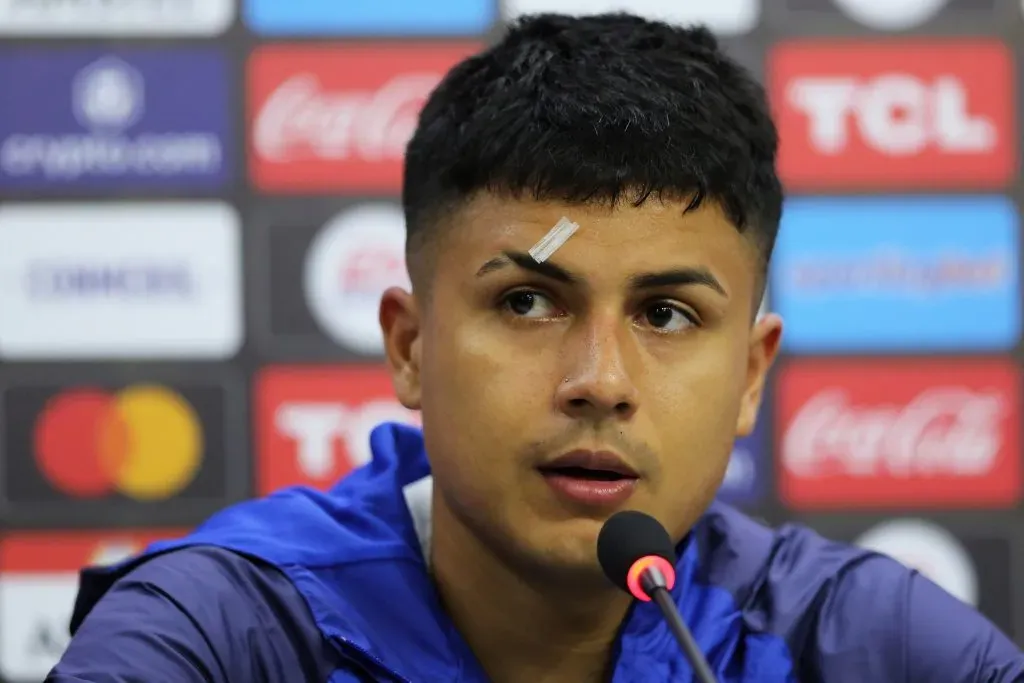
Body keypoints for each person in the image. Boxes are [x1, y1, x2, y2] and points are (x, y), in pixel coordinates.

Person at [49, 12, 1022, 683]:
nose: (599, 380)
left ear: (749, 377)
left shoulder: (856, 640)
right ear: (411, 345)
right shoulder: (221, 631)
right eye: (527, 300)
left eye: (667, 315)